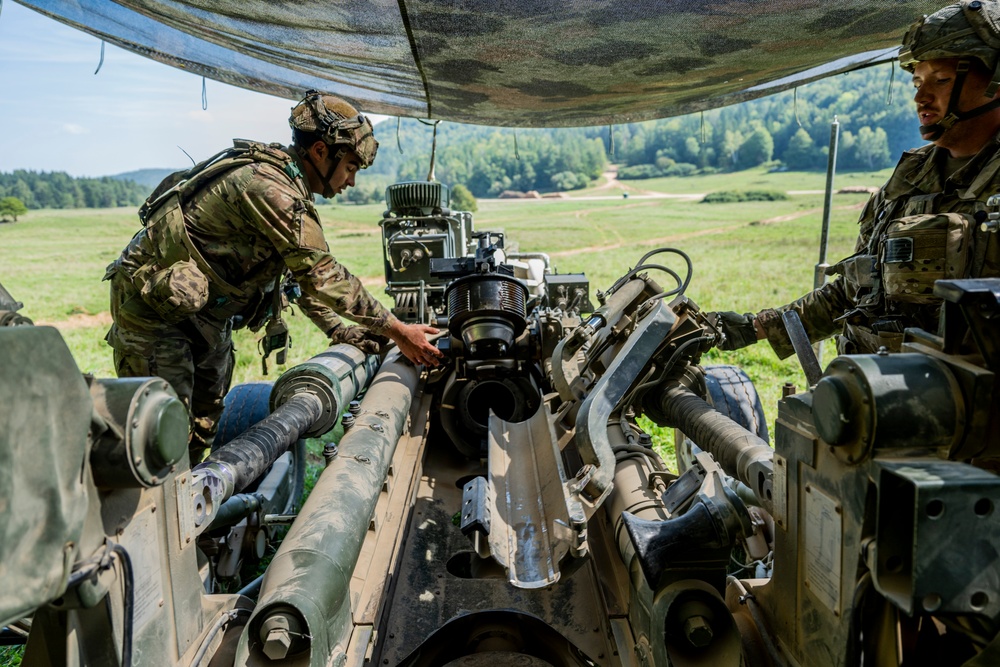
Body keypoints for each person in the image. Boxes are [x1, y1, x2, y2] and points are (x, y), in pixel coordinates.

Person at [104, 91, 442, 461]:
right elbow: (322, 274)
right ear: (319, 152)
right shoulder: (269, 188)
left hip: (204, 313)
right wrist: (397, 330)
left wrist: (339, 331)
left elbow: (298, 276)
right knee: (160, 436)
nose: (351, 182)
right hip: (155, 313)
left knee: (201, 424)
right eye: (350, 167)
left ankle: (187, 501)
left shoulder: (287, 185)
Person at [713, 0, 1000, 359]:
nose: (921, 96)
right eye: (917, 81)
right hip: (869, 392)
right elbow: (857, 287)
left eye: (940, 80)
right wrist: (753, 328)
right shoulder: (909, 178)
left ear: (995, 81)